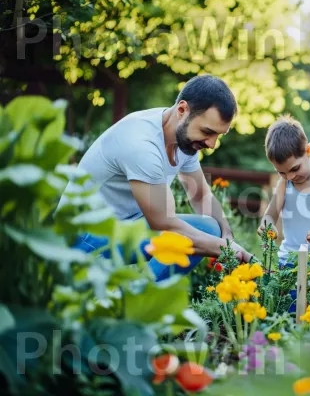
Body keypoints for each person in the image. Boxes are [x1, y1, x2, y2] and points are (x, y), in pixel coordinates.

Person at [57, 75, 254, 281]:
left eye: (218, 135)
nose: (212, 144)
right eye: (207, 132)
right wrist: (224, 248)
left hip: (124, 227)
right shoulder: (141, 143)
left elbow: (200, 196)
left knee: (210, 228)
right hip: (80, 238)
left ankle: (143, 298)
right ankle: (140, 303)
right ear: (182, 110)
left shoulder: (183, 141)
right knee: (188, 237)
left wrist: (228, 236)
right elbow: (163, 223)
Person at [257, 114, 310, 267]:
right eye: (281, 172)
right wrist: (267, 226)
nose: (290, 176)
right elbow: (270, 215)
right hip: (288, 261)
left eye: (295, 168)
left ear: (309, 150)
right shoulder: (284, 184)